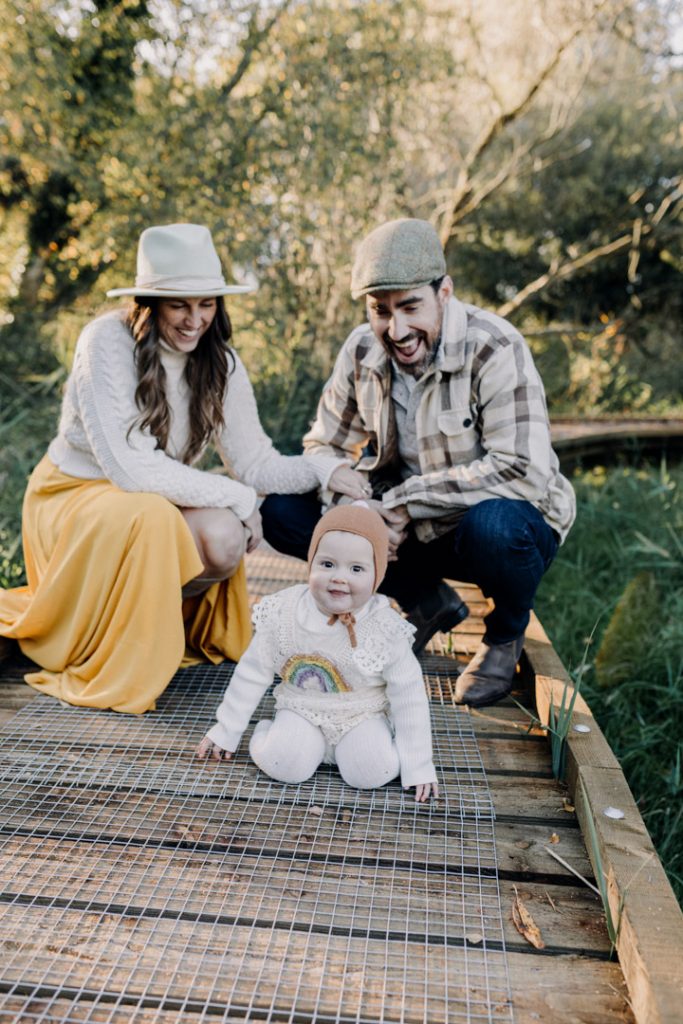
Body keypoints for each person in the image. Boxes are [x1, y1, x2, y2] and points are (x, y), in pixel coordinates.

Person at [0, 223, 366, 713]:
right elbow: (130, 470)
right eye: (179, 304)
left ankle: (144, 622)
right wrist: (238, 499)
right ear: (148, 303)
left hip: (152, 498)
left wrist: (324, 470)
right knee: (155, 517)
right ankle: (111, 639)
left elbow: (255, 462)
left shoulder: (221, 362)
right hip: (75, 496)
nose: (195, 320)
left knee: (224, 538)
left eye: (207, 304)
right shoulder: (105, 343)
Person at [261, 218, 576, 707]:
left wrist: (405, 504)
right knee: (283, 512)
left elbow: (523, 470)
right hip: (401, 529)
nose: (397, 329)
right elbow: (323, 448)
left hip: (488, 525)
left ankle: (504, 636)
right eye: (380, 311)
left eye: (410, 307)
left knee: (496, 527)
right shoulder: (361, 350)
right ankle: (424, 601)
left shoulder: (493, 345)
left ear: (444, 293)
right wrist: (358, 509)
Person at [197, 503, 438, 802]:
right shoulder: (285, 611)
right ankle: (269, 731)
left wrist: (418, 765)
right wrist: (227, 729)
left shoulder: (383, 626)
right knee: (283, 766)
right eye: (327, 564)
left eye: (356, 569)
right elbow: (253, 671)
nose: (339, 577)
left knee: (374, 773)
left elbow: (409, 694)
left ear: (377, 575)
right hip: (301, 708)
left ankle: (359, 747)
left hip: (360, 713)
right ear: (310, 563)